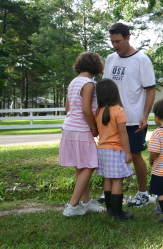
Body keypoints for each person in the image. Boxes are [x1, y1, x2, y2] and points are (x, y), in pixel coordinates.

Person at [103, 22, 156, 207]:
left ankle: (143, 193)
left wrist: (144, 115)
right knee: (111, 153)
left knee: (135, 155)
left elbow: (150, 89)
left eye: (118, 41)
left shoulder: (142, 59)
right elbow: (106, 88)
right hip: (111, 118)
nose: (115, 45)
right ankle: (109, 192)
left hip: (133, 118)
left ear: (127, 38)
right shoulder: (110, 59)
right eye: (112, 42)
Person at [59, 51, 106, 217]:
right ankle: (72, 205)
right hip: (81, 129)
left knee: (81, 165)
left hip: (69, 128)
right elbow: (86, 109)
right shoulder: (89, 83)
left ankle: (85, 202)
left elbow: (68, 107)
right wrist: (94, 128)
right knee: (90, 164)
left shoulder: (74, 82)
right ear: (96, 66)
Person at [95, 78, 134, 220]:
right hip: (116, 150)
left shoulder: (98, 111)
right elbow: (123, 133)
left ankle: (110, 208)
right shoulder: (119, 110)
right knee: (118, 180)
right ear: (115, 93)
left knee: (108, 179)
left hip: (102, 149)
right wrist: (128, 152)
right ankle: (118, 212)